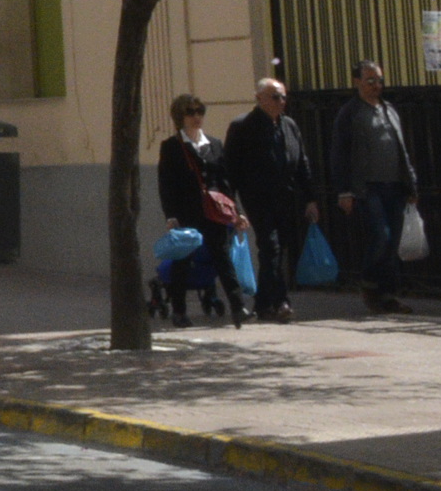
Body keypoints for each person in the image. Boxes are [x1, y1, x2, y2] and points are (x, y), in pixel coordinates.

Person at [329, 60, 420, 313]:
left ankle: (388, 295)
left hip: (395, 185)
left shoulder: (389, 109)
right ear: (357, 82)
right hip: (367, 187)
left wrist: (411, 185)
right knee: (381, 236)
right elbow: (340, 153)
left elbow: (402, 148)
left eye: (379, 80)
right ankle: (370, 285)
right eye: (370, 81)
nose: (376, 86)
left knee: (393, 243)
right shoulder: (350, 113)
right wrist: (344, 191)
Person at [224, 79, 319, 321]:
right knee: (270, 246)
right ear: (259, 98)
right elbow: (231, 170)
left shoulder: (289, 125)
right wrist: (232, 206)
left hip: (286, 197)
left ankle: (262, 303)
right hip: (257, 198)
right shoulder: (242, 126)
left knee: (277, 251)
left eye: (284, 97)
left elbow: (301, 163)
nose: (281, 102)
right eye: (276, 97)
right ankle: (281, 301)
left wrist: (310, 197)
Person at [156, 94, 247, 329]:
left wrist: (235, 212)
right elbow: (166, 184)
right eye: (190, 112)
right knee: (183, 261)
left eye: (200, 111)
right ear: (180, 117)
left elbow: (225, 181)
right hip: (187, 213)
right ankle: (179, 310)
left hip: (214, 213)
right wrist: (171, 216)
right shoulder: (172, 146)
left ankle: (238, 307)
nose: (197, 117)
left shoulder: (214, 144)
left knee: (222, 258)